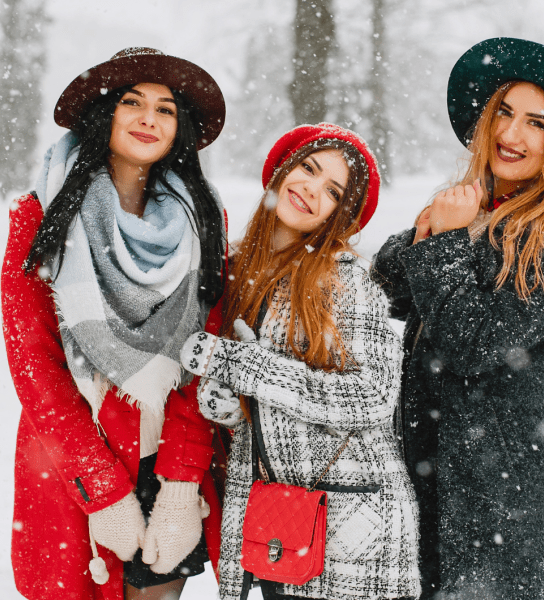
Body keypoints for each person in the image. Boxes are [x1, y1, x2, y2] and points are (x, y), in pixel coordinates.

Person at [371, 38, 544, 600]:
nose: (512, 134)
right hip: (435, 445)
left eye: (536, 123)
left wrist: (448, 241)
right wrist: (428, 231)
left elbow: (473, 343)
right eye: (504, 112)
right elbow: (385, 289)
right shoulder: (475, 206)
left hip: (508, 464)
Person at [1, 47, 228, 600]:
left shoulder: (203, 220)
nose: (149, 118)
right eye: (133, 102)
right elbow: (33, 362)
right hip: (74, 458)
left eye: (166, 108)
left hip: (165, 452)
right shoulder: (40, 214)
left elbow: (208, 352)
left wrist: (178, 483)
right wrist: (100, 488)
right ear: (107, 113)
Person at [179, 123, 421, 600]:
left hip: (352, 529)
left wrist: (245, 367)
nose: (311, 188)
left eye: (332, 190)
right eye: (308, 168)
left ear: (339, 215)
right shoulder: (242, 269)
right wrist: (226, 399)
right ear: (282, 171)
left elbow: (372, 396)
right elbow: (266, 398)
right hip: (281, 521)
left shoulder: (344, 280)